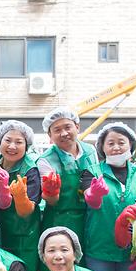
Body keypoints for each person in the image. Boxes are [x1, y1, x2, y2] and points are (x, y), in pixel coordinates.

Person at [81, 122, 136, 271]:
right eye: (110, 143)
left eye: (121, 142)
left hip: (134, 250)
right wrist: (95, 193)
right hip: (99, 249)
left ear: (131, 145)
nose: (116, 147)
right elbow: (91, 201)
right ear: (102, 148)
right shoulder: (92, 172)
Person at [37, 107, 99, 251]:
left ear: (77, 127)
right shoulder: (45, 160)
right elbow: (51, 201)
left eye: (67, 127)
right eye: (57, 130)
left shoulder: (90, 151)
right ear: (50, 136)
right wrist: (51, 192)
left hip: (89, 218)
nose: (64, 133)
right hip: (59, 220)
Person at [0, 120, 42, 271]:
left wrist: (20, 196)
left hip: (24, 234)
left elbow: (27, 211)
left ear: (26, 147)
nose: (12, 146)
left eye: (19, 142)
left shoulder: (30, 169)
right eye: (7, 140)